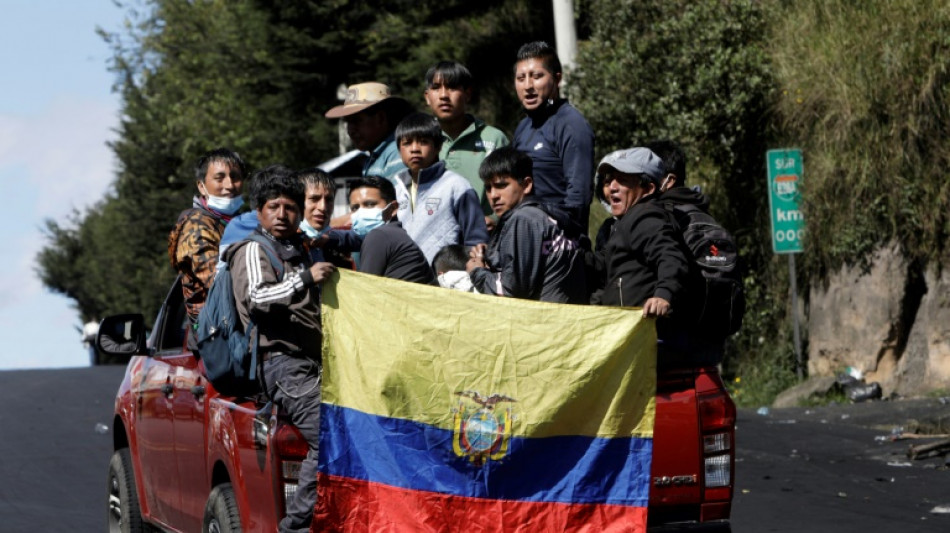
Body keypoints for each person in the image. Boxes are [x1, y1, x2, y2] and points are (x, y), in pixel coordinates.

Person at [224, 165, 334, 533]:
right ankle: (297, 525)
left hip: (308, 363)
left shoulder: (299, 249)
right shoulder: (255, 250)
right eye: (274, 207)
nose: (282, 215)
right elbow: (257, 298)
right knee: (330, 435)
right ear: (259, 211)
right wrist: (304, 278)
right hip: (281, 364)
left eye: (290, 207)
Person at [592, 147, 693, 353]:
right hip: (629, 337)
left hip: (645, 340)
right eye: (609, 180)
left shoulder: (644, 217)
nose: (612, 187)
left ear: (647, 189)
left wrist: (663, 295)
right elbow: (602, 264)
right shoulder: (623, 224)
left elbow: (670, 256)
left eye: (622, 180)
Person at [466, 146, 587, 303]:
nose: (493, 195)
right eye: (488, 188)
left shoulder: (523, 219)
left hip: (543, 321)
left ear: (526, 184)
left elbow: (511, 291)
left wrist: (477, 271)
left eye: (501, 185)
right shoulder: (552, 216)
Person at [511, 41, 595, 233]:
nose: (528, 86)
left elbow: (578, 197)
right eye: (521, 78)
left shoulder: (572, 125)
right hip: (525, 236)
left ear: (557, 79)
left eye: (537, 76)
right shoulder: (523, 127)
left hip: (559, 244)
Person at [168, 148, 246, 348]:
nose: (229, 185)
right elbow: (218, 284)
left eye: (235, 177)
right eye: (219, 178)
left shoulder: (238, 222)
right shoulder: (197, 226)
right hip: (217, 338)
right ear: (202, 186)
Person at [392, 112, 488, 262]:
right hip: (404, 280)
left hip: (446, 281)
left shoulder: (457, 186)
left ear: (438, 147)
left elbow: (476, 239)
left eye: (423, 142)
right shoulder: (396, 191)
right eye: (407, 143)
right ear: (399, 149)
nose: (415, 149)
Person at [424, 61, 510, 225]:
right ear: (427, 97)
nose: (443, 95)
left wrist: (495, 220)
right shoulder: (419, 142)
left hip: (485, 241)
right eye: (436, 88)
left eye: (452, 87)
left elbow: (512, 190)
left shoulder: (493, 139)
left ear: (468, 94)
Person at [348, 176, 436, 285]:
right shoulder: (395, 234)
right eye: (355, 208)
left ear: (393, 208)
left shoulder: (380, 236)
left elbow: (367, 290)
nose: (361, 212)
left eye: (370, 204)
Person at [324, 82, 413, 184]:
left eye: (356, 121)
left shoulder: (396, 155)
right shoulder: (375, 157)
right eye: (347, 122)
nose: (351, 130)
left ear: (380, 118)